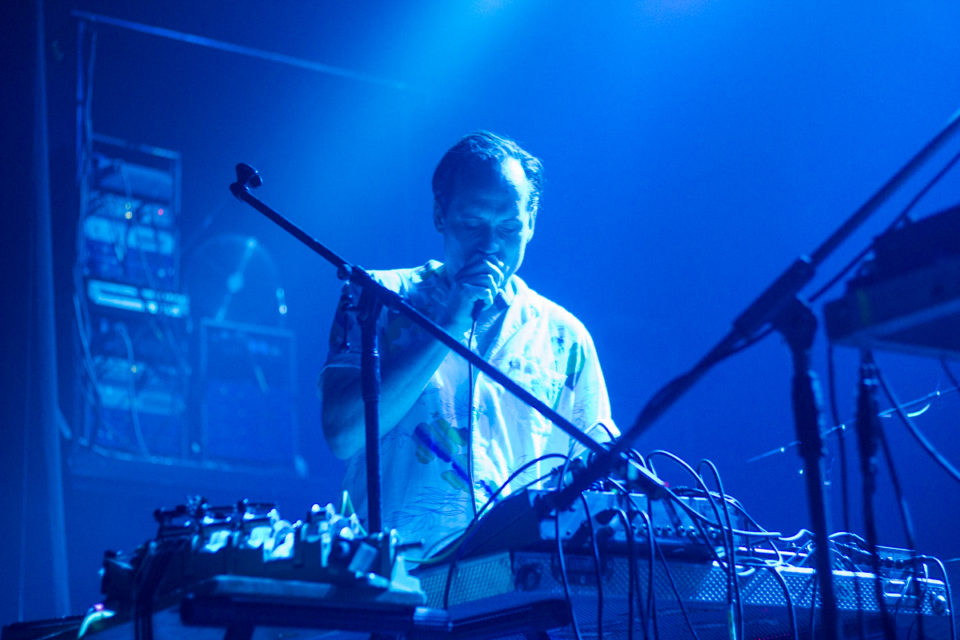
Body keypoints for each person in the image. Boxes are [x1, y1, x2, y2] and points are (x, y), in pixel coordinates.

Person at [320, 131, 616, 553]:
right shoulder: (375, 298)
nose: (490, 245)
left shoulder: (565, 337)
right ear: (440, 216)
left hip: (514, 580)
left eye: (510, 226)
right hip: (393, 575)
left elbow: (595, 475)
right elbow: (342, 435)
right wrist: (449, 323)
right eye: (473, 224)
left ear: (531, 223)